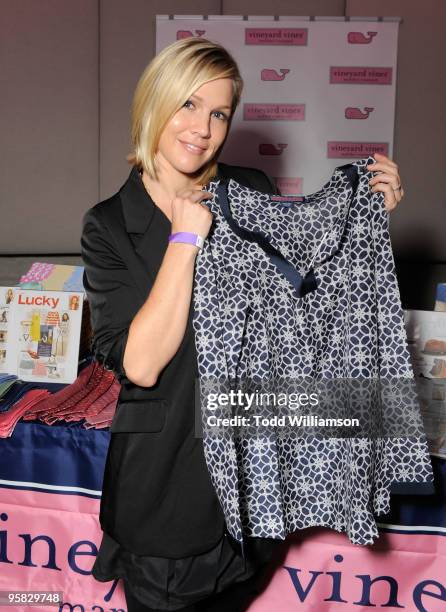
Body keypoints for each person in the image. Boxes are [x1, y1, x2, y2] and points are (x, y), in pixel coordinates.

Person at [80, 37, 404, 612]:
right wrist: (186, 235)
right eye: (187, 105)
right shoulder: (109, 225)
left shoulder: (250, 190)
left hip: (257, 484)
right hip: (167, 496)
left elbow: (305, 316)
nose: (201, 128)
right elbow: (142, 364)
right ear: (153, 103)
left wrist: (363, 220)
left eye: (219, 113)